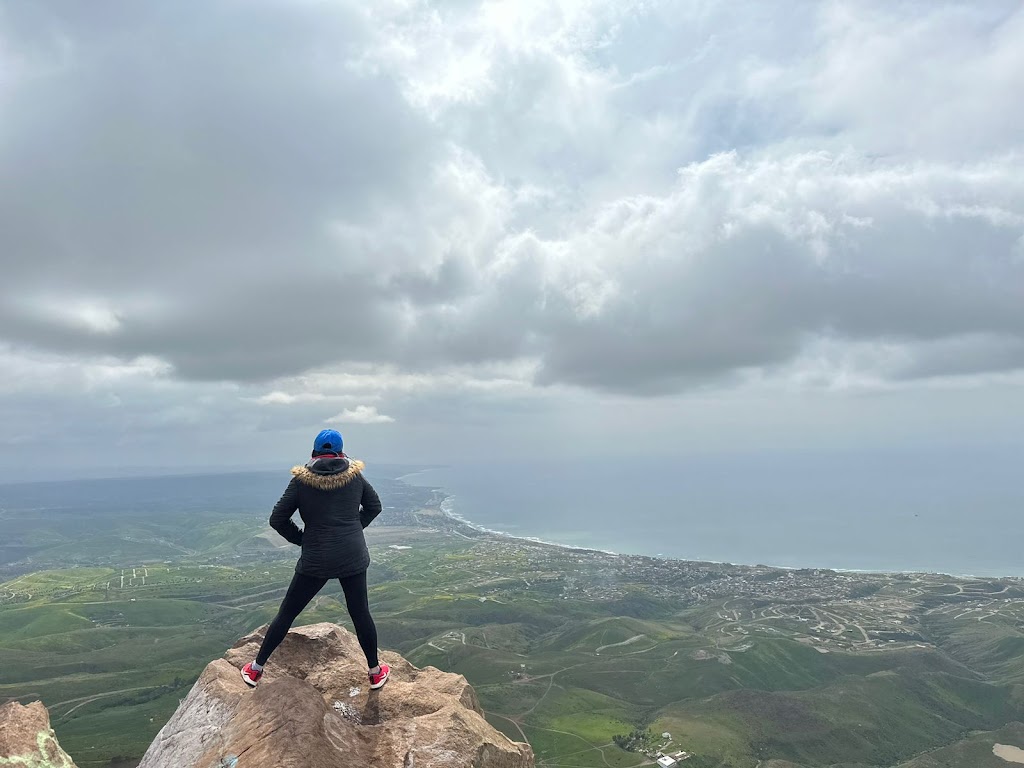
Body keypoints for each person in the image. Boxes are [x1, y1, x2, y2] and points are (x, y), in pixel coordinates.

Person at [240, 429, 389, 689]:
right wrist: (352, 529)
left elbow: (277, 519)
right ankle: (375, 672)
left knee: (287, 613)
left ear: (314, 453)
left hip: (316, 556)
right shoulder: (355, 479)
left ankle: (255, 670)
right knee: (360, 612)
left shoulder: (301, 482)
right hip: (352, 555)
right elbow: (374, 507)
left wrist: (302, 539)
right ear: (342, 453)